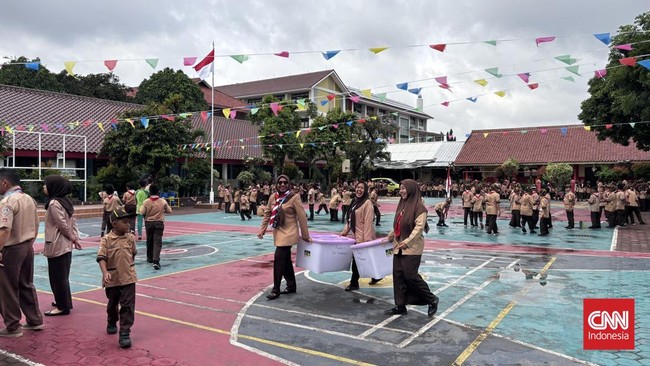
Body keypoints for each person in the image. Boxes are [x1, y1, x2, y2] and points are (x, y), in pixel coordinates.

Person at [384, 179, 438, 318]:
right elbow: (398, 225)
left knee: (410, 276)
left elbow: (418, 228)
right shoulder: (402, 204)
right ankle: (400, 305)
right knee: (398, 275)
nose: (401, 191)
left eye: (404, 188)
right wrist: (390, 237)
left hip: (412, 247)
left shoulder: (420, 208)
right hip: (398, 246)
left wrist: (407, 242)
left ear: (411, 189)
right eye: (400, 188)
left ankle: (431, 299)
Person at [0, 168, 43, 337]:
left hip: (11, 248)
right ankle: (34, 319)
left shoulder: (7, 202)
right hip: (27, 246)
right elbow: (37, 224)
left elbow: (4, 230)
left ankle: (12, 326)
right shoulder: (29, 199)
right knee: (26, 284)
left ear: (5, 182)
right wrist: (29, 243)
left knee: (7, 287)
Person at [257, 175, 311, 300]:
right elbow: (267, 214)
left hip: (289, 233)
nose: (282, 184)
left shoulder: (294, 197)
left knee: (279, 258)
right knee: (285, 260)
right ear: (276, 184)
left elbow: (302, 217)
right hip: (278, 232)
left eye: (285, 182)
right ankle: (291, 285)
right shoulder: (273, 197)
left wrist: (305, 236)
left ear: (289, 184)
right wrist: (262, 229)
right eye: (280, 182)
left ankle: (276, 289)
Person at [96, 208, 138, 349]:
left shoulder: (131, 238)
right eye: (125, 222)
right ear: (114, 224)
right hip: (112, 279)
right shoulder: (106, 240)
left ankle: (125, 333)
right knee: (112, 304)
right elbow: (101, 258)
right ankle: (112, 320)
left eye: (129, 222)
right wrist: (105, 272)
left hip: (128, 278)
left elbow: (133, 254)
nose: (128, 225)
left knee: (127, 306)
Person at [43, 175, 82, 317]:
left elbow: (62, 224)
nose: (43, 187)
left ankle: (62, 306)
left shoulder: (54, 203)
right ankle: (63, 301)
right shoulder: (66, 202)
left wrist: (73, 238)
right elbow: (73, 221)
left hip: (57, 244)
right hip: (65, 245)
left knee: (57, 276)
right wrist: (75, 238)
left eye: (46, 184)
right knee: (63, 276)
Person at [340, 182, 381, 291]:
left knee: (356, 261)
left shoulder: (367, 203)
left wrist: (366, 242)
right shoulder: (354, 202)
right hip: (356, 236)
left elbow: (368, 223)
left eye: (362, 188)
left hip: (363, 237)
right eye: (358, 187)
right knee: (365, 259)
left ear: (366, 190)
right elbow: (349, 219)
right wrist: (344, 232)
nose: (359, 190)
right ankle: (376, 276)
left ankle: (354, 283)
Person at [140, 184, 172, 270]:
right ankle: (156, 261)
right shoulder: (162, 201)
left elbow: (142, 212)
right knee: (157, 242)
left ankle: (149, 258)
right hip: (159, 223)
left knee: (149, 240)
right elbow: (169, 210)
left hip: (149, 223)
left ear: (149, 192)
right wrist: (162, 210)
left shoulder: (146, 201)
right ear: (158, 192)